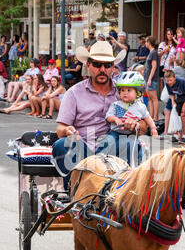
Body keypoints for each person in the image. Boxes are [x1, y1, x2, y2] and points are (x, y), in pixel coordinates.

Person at [52, 41, 147, 186]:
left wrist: (136, 125)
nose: (102, 69)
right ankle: (74, 191)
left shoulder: (126, 91)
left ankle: (126, 192)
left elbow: (144, 125)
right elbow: (60, 129)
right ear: (88, 65)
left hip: (114, 148)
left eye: (107, 65)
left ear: (113, 67)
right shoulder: (74, 93)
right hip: (83, 148)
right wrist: (67, 130)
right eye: (97, 64)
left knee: (130, 143)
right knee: (61, 144)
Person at [106, 71, 158, 139]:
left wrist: (153, 128)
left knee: (136, 146)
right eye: (122, 90)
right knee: (108, 142)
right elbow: (108, 117)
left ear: (137, 93)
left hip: (132, 134)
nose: (125, 93)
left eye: (129, 90)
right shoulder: (115, 104)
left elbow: (148, 119)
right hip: (115, 132)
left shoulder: (141, 106)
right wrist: (115, 119)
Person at [162, 70, 185, 144]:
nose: (169, 82)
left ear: (174, 78)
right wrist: (172, 101)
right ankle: (177, 135)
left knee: (183, 116)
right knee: (177, 117)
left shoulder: (181, 81)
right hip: (178, 99)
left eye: (170, 80)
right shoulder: (167, 84)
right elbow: (171, 93)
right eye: (167, 80)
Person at [144, 36, 160, 121]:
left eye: (146, 41)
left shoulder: (154, 53)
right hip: (147, 78)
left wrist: (150, 79)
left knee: (154, 98)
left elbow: (154, 67)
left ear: (149, 42)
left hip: (152, 79)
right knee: (150, 98)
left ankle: (156, 117)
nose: (145, 43)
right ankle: (151, 115)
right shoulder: (151, 52)